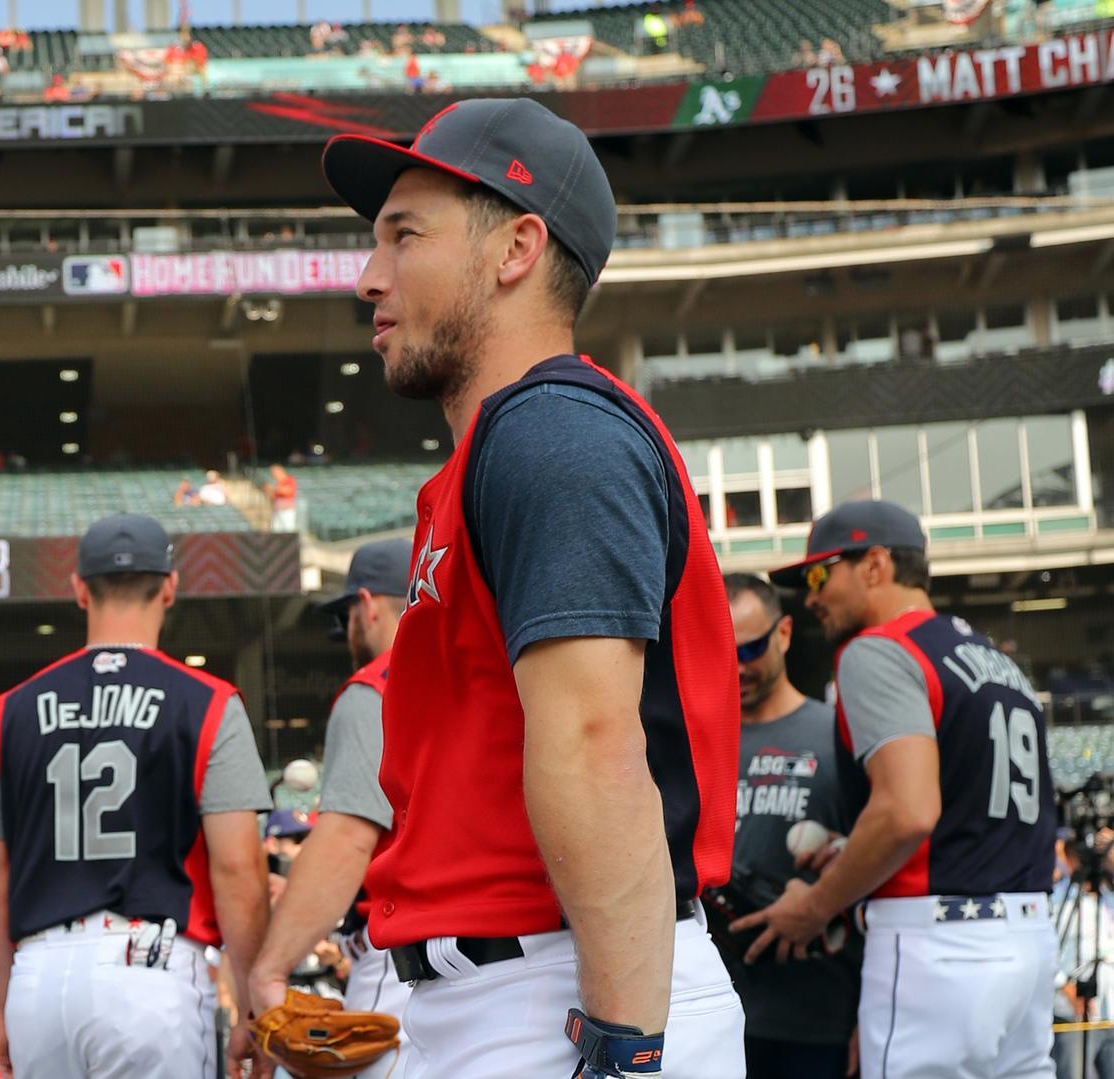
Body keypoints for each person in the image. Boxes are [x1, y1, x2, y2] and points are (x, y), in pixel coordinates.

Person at [321, 98, 744, 1077]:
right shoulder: (504, 447)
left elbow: (597, 745)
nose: (369, 276)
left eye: (403, 235)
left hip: (567, 988)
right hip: (518, 987)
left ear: (515, 248)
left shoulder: (550, 427)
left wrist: (624, 1038)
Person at [742, 501, 1059, 1077]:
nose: (810, 597)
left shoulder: (880, 648)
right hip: (1029, 942)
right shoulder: (994, 658)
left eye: (819, 574)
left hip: (940, 949)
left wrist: (814, 906)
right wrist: (853, 851)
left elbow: (908, 811)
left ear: (875, 565)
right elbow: (972, 816)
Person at [0, 514, 272, 1078]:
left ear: (79, 590)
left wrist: (4, 1004)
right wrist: (253, 1004)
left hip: (39, 979)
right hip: (148, 974)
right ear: (170, 587)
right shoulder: (206, 701)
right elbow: (238, 868)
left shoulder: (10, 709)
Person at [248, 538, 413, 1078]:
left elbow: (349, 838)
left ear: (367, 605)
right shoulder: (498, 671)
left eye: (347, 618)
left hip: (411, 960)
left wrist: (269, 973)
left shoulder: (376, 687)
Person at [716, 574, 858, 1079]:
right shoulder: (694, 745)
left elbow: (879, 881)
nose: (736, 664)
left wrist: (869, 1016)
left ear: (784, 633)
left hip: (817, 1018)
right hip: (716, 1020)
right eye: (721, 646)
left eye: (751, 647)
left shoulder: (836, 735)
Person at [1053, 835, 1114, 1078]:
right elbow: (1044, 954)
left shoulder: (1108, 896)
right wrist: (1065, 987)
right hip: (1074, 1015)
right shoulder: (1057, 899)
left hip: (1110, 1011)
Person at [264, 464, 298, 533]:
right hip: (277, 510)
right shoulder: (278, 483)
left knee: (288, 531)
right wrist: (269, 491)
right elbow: (273, 498)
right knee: (276, 531)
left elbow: (288, 491)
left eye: (274, 473)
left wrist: (274, 489)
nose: (274, 475)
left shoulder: (289, 479)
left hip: (286, 511)